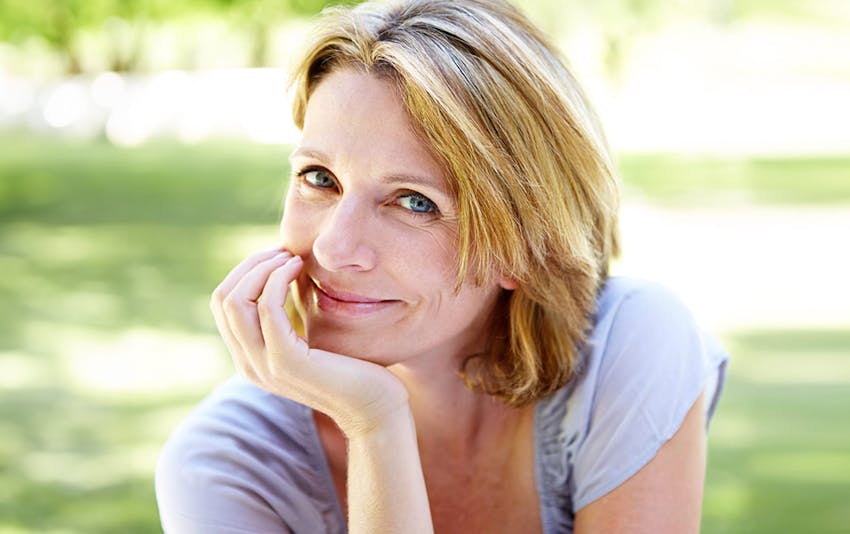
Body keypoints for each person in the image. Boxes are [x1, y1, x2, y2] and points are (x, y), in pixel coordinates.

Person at [155, 0, 729, 532]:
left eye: (414, 202)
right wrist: (374, 421)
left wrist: (374, 424)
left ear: (523, 247)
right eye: (319, 177)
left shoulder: (627, 349)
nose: (333, 248)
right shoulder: (225, 467)